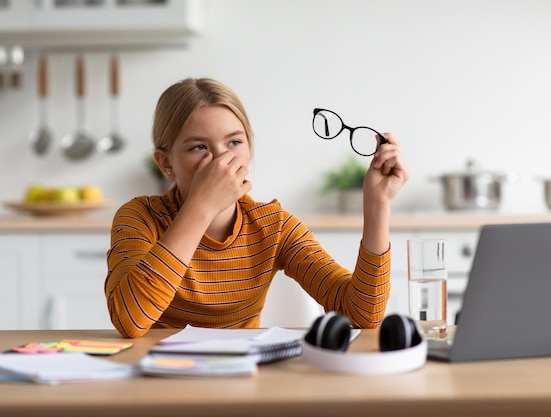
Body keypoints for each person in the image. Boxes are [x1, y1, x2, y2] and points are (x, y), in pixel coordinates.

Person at [104, 78, 410, 338]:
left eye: (234, 142)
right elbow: (131, 320)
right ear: (166, 163)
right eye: (199, 147)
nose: (222, 161)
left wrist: (377, 204)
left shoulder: (272, 226)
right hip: (160, 382)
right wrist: (201, 207)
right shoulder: (139, 218)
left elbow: (362, 314)